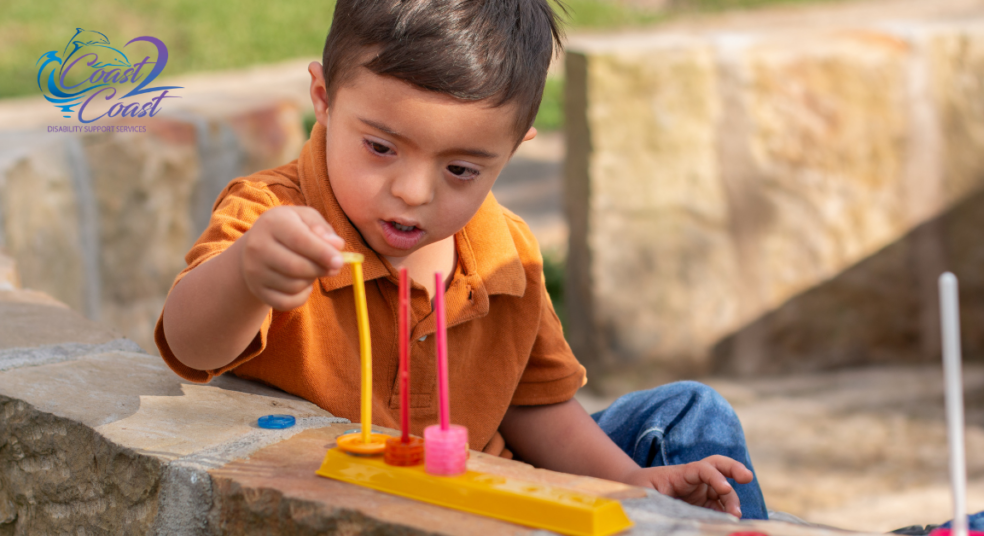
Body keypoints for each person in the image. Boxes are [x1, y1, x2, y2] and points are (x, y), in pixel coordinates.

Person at [155, 0, 767, 519]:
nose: (414, 192)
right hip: (360, 498)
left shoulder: (507, 254)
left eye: (460, 169)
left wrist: (630, 483)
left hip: (490, 492)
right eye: (380, 147)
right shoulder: (273, 217)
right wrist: (246, 276)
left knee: (692, 415)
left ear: (511, 151)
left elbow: (536, 405)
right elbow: (190, 346)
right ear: (324, 98)